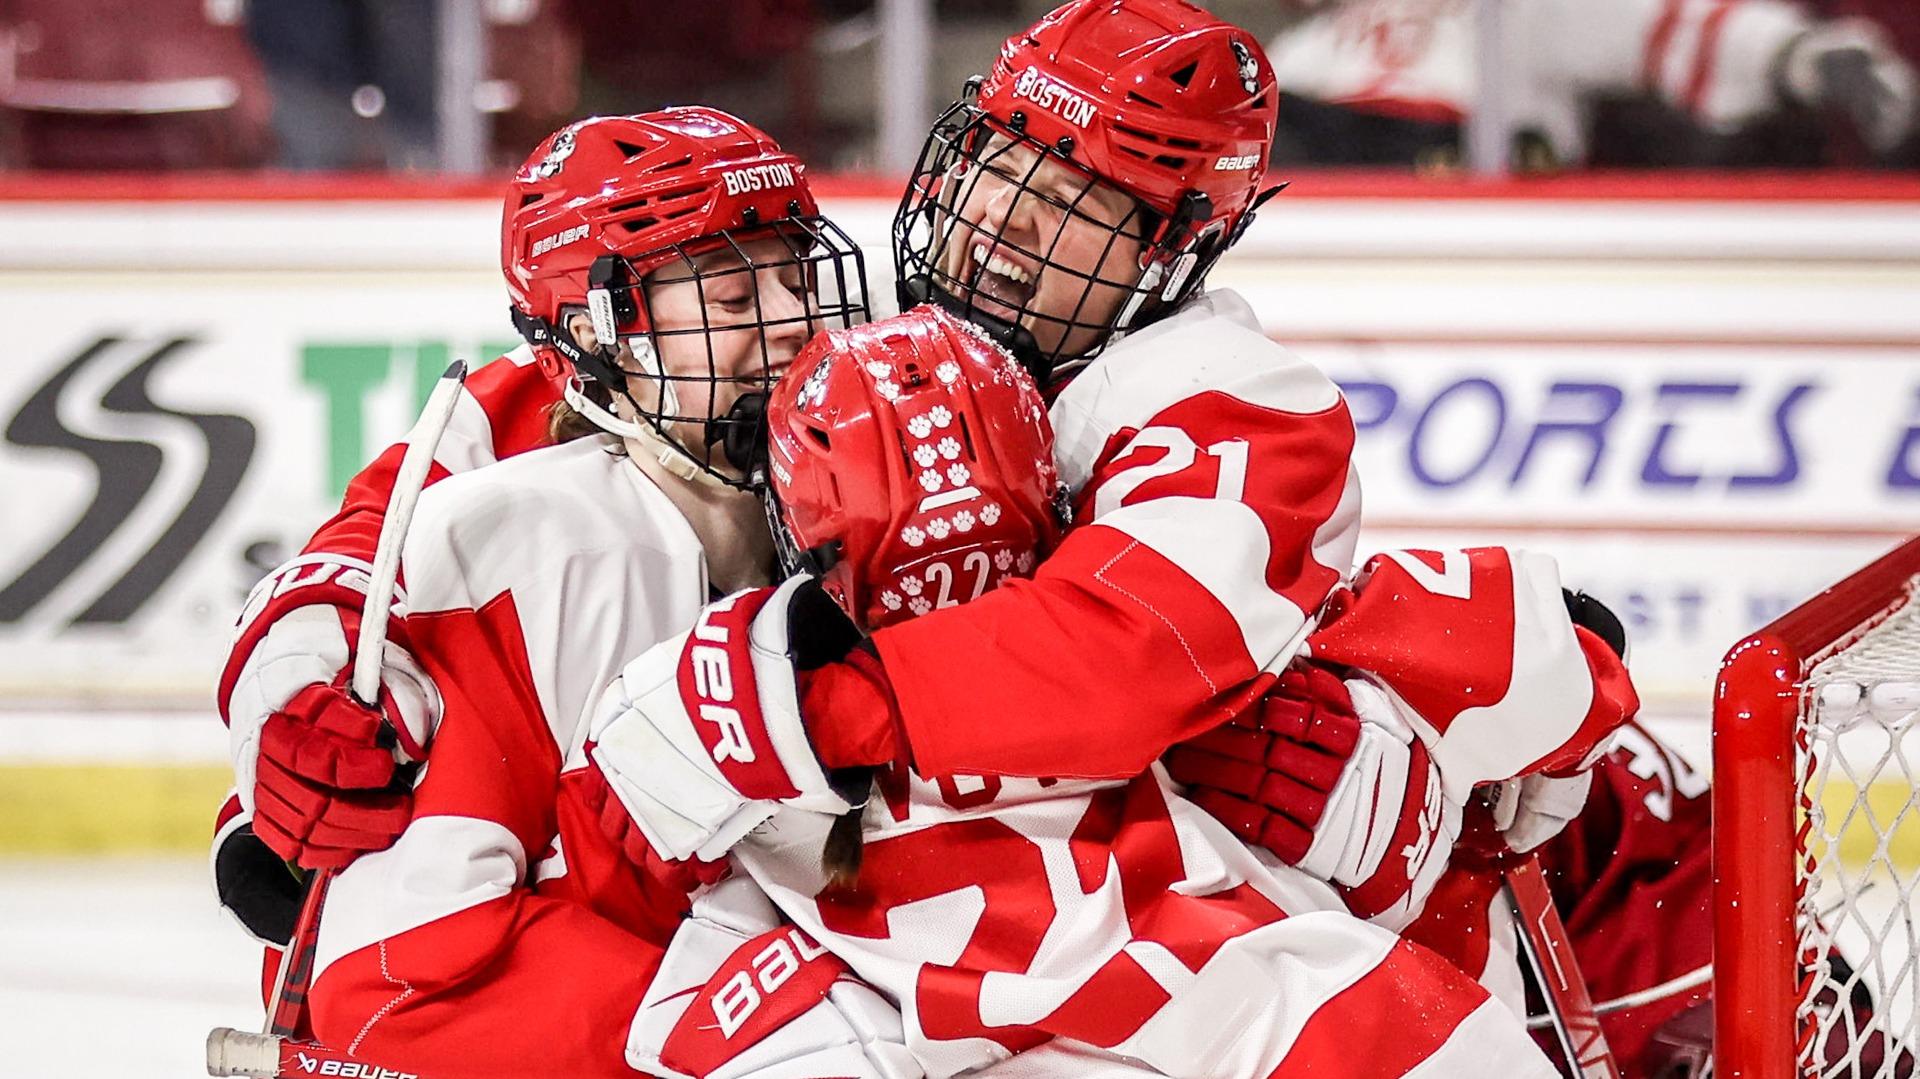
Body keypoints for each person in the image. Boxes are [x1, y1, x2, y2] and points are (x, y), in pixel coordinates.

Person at [608, 305, 1561, 1077]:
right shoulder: (1187, 665)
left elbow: (631, 901)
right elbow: (1560, 656)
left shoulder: (722, 685)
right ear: (1056, 495)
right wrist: (1422, 802)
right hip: (1288, 1011)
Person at [290, 108, 905, 1079]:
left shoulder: (866, 523)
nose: (790, 323)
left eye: (795, 279)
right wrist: (741, 1022)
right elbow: (396, 980)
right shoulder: (528, 549)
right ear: (595, 333)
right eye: (733, 301)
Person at [1263, 0, 1920, 169]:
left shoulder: (1520, 19)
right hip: (1329, 222)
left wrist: (1797, 55)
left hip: (1471, 217)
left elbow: (1668, 28)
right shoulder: (1304, 48)